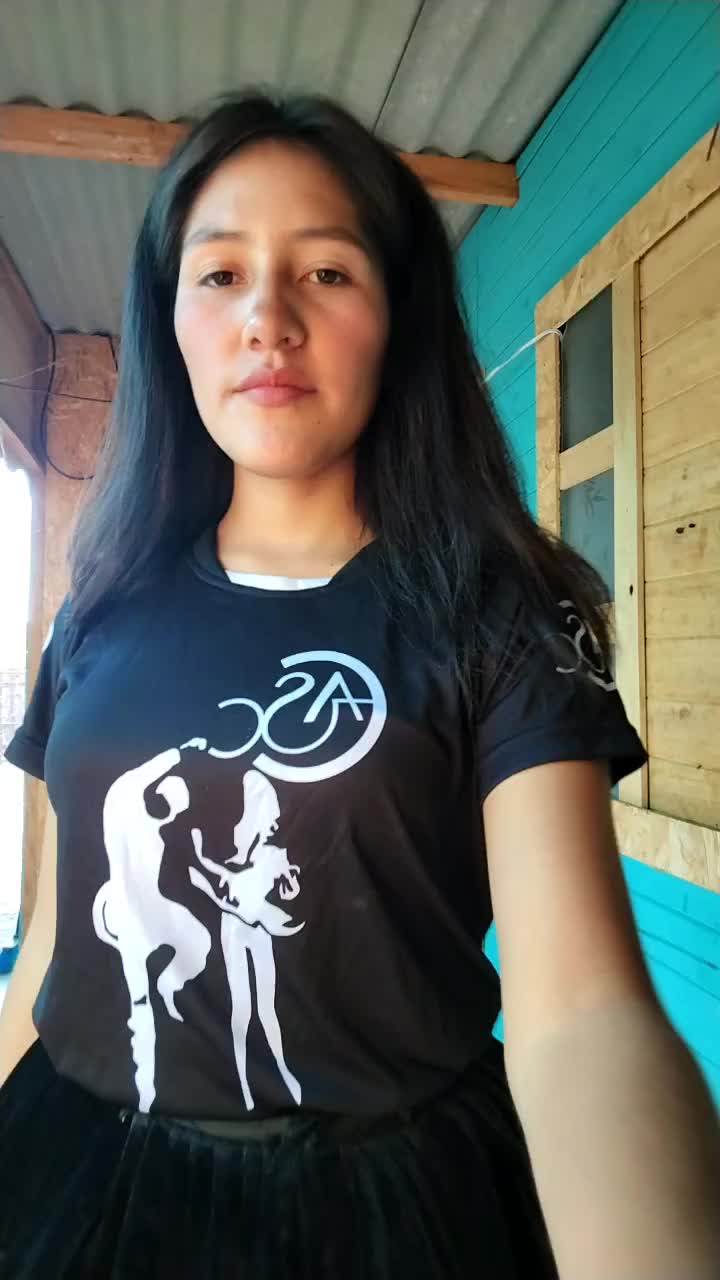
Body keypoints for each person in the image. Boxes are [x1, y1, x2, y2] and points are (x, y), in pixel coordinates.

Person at [1, 91, 718, 1280]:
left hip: (397, 1206)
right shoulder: (96, 612)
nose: (267, 319)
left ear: (397, 317)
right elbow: (45, 962)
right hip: (73, 1175)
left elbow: (583, 1015)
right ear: (169, 320)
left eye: (327, 273)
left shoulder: (497, 613)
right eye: (220, 274)